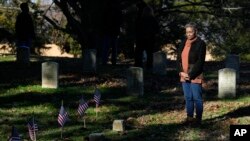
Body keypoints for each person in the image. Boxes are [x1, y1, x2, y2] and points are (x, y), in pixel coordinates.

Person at [177, 23, 206, 126]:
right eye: (187, 32)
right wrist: (180, 72)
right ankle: (189, 118)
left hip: (195, 74)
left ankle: (198, 120)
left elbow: (200, 61)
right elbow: (178, 59)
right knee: (188, 97)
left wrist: (191, 74)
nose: (189, 34)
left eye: (191, 32)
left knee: (197, 98)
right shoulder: (182, 42)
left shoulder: (201, 43)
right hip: (183, 75)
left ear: (195, 31)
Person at [135, 4, 159, 69]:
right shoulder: (153, 19)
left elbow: (136, 29)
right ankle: (149, 66)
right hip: (150, 38)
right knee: (150, 53)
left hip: (141, 38)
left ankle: (138, 65)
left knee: (139, 52)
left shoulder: (141, 19)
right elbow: (157, 29)